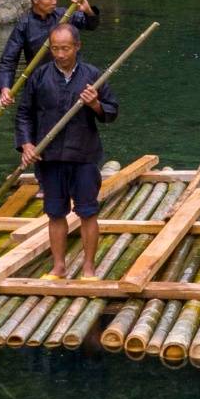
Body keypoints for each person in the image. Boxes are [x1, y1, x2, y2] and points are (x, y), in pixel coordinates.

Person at [15, 23, 118, 279]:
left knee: (88, 212)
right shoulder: (39, 77)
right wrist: (27, 144)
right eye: (55, 49)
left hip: (83, 155)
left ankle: (88, 268)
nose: (60, 54)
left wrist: (95, 104)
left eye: (66, 49)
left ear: (77, 46)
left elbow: (111, 113)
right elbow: (24, 114)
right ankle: (59, 267)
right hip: (49, 157)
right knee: (55, 212)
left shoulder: (93, 76)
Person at [0, 0, 97, 106]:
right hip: (39, 83)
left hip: (70, 80)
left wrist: (87, 10)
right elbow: (9, 60)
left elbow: (91, 25)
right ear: (36, 0)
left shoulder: (64, 15)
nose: (55, 2)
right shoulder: (24, 24)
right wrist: (5, 88)